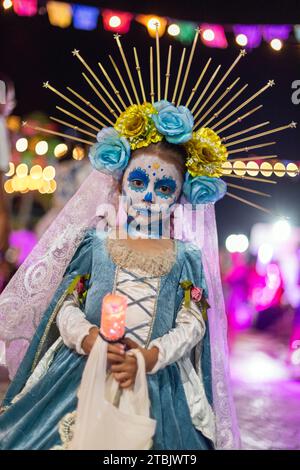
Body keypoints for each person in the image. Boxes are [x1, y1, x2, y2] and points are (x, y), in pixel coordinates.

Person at [1, 29, 291, 450]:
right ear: (119, 185)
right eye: (139, 181)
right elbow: (66, 303)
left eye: (163, 187)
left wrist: (149, 357)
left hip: (158, 382)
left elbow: (193, 322)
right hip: (82, 370)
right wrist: (89, 338)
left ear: (180, 197)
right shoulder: (96, 245)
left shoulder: (186, 257)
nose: (149, 195)